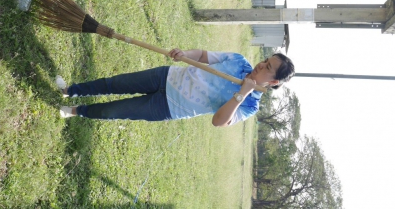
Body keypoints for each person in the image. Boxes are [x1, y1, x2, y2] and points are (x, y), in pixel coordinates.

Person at [57, 49, 294, 126]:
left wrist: (242, 94)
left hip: (167, 107)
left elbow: (219, 121)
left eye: (268, 68)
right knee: (115, 83)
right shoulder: (239, 61)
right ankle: (71, 89)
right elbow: (203, 55)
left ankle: (77, 111)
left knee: (113, 111)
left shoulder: (250, 105)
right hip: (167, 77)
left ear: (273, 82)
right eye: (266, 60)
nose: (261, 65)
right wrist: (184, 54)